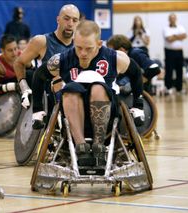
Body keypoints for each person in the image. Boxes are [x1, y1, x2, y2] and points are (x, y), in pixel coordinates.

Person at [32, 20, 144, 166]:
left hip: (107, 116)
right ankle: (81, 148)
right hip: (73, 116)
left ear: (99, 44)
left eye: (88, 48)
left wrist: (138, 106)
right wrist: (38, 110)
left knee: (97, 87)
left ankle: (99, 146)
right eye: (78, 47)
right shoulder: (62, 59)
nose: (83, 53)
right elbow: (38, 76)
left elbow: (136, 73)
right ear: (73, 41)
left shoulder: (115, 58)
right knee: (70, 89)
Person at [14, 4, 80, 126]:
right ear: (58, 19)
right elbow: (19, 62)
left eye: (75, 20)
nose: (70, 23)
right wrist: (24, 89)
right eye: (66, 18)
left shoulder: (80, 46)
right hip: (49, 94)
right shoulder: (41, 41)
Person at [163, 13, 187, 94]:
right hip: (169, 52)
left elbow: (184, 36)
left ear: (176, 19)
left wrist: (174, 36)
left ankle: (179, 88)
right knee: (169, 70)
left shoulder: (180, 27)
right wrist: (178, 36)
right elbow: (169, 39)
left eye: (174, 18)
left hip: (179, 52)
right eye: (171, 18)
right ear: (169, 19)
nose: (172, 19)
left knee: (179, 70)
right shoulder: (166, 28)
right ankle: (168, 88)